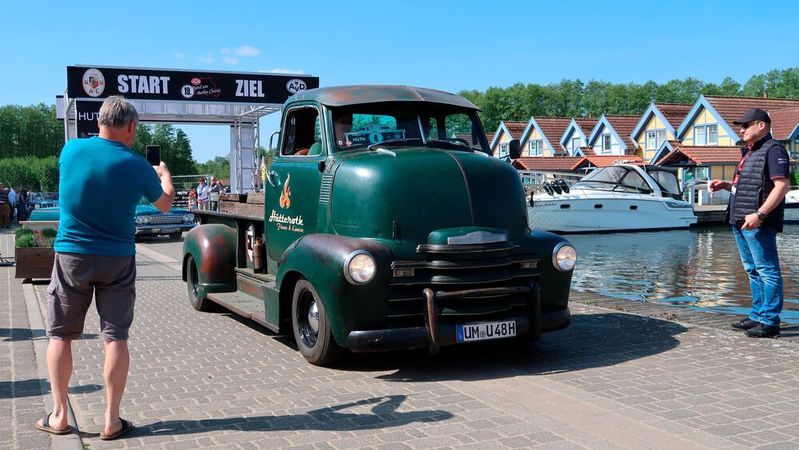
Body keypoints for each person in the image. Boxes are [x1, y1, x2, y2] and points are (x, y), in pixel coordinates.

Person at [36, 96, 174, 440]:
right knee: (115, 337)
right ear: (131, 127)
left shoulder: (71, 150)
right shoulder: (138, 165)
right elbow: (165, 205)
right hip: (117, 259)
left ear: (99, 122)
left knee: (60, 335)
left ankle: (59, 415)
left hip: (72, 256)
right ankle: (111, 420)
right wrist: (164, 175)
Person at [709, 108, 790, 339]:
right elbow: (751, 185)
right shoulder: (750, 151)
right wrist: (726, 185)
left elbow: (782, 186)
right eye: (740, 126)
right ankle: (757, 315)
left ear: (761, 126)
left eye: (746, 125)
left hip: (758, 222)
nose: (741, 130)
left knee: (767, 271)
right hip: (740, 220)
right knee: (752, 270)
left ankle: (769, 322)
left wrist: (760, 214)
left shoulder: (774, 150)